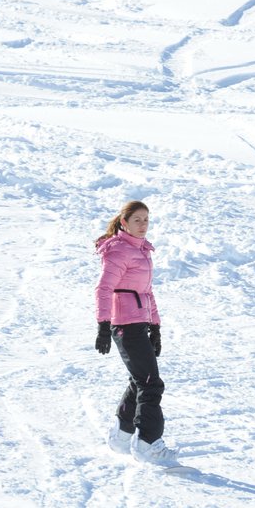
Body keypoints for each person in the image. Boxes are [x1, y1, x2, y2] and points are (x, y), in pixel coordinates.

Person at [94, 200, 178, 467]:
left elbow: (146, 292)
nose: (143, 225)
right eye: (137, 220)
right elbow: (104, 289)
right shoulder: (119, 250)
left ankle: (122, 436)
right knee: (151, 384)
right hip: (125, 324)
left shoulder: (140, 250)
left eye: (146, 220)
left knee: (141, 380)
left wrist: (155, 327)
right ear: (124, 223)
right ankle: (148, 444)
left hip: (138, 321)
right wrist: (103, 325)